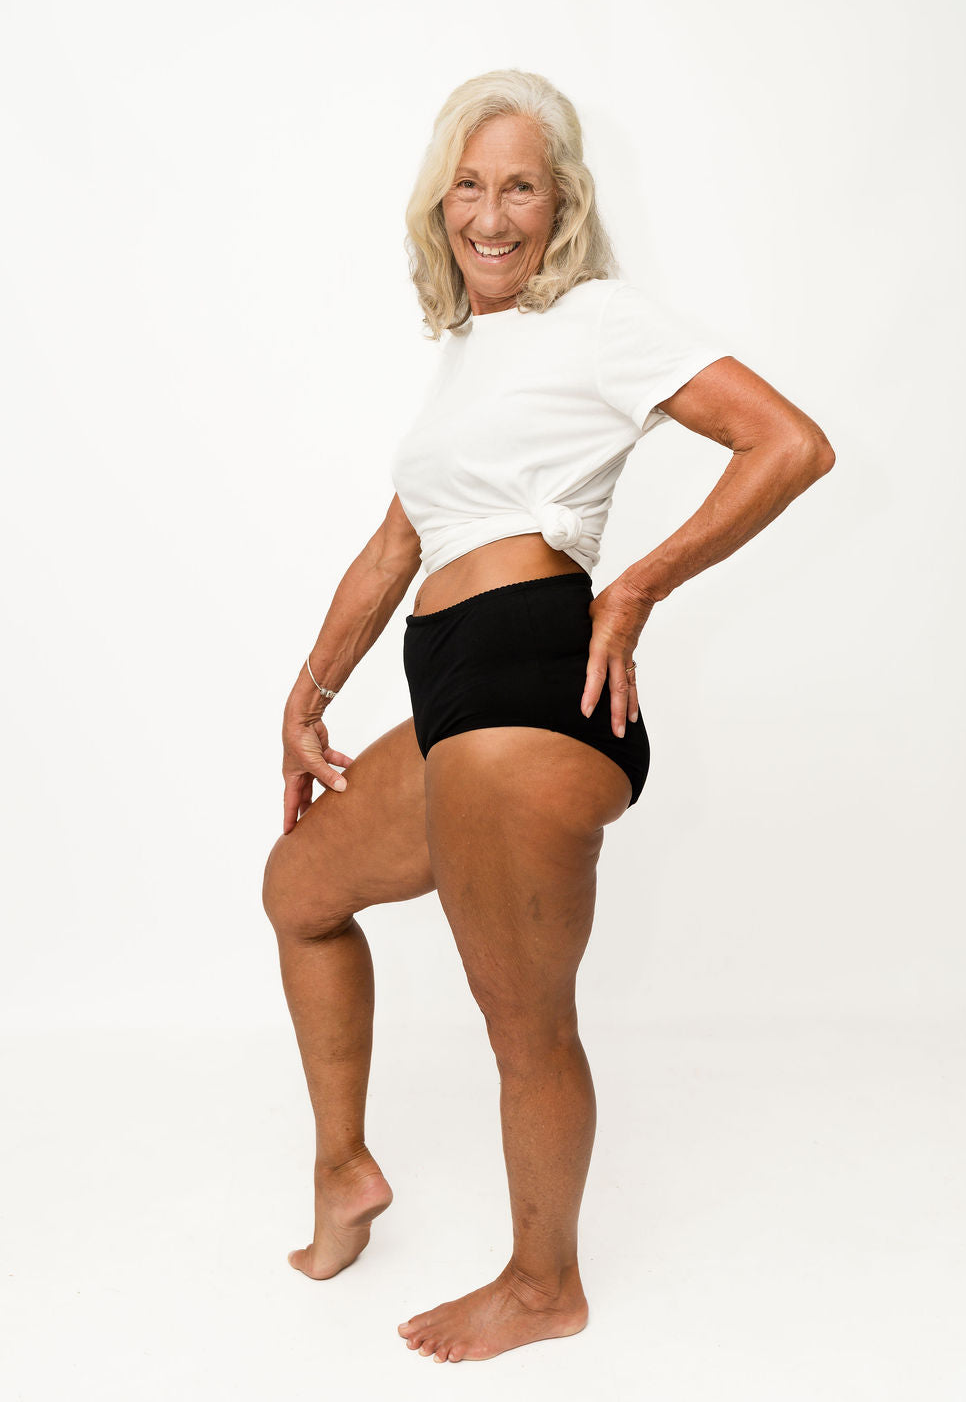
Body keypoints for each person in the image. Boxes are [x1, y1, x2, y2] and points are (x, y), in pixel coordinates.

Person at [261, 67, 835, 1365]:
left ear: (561, 200)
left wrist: (635, 583)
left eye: (520, 183)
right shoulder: (465, 355)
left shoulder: (600, 320)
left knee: (524, 1024)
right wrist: (307, 695)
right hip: (449, 685)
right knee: (300, 886)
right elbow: (400, 537)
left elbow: (787, 443)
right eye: (470, 182)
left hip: (536, 680)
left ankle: (542, 1283)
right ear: (439, 202)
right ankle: (345, 1166)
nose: (492, 211)